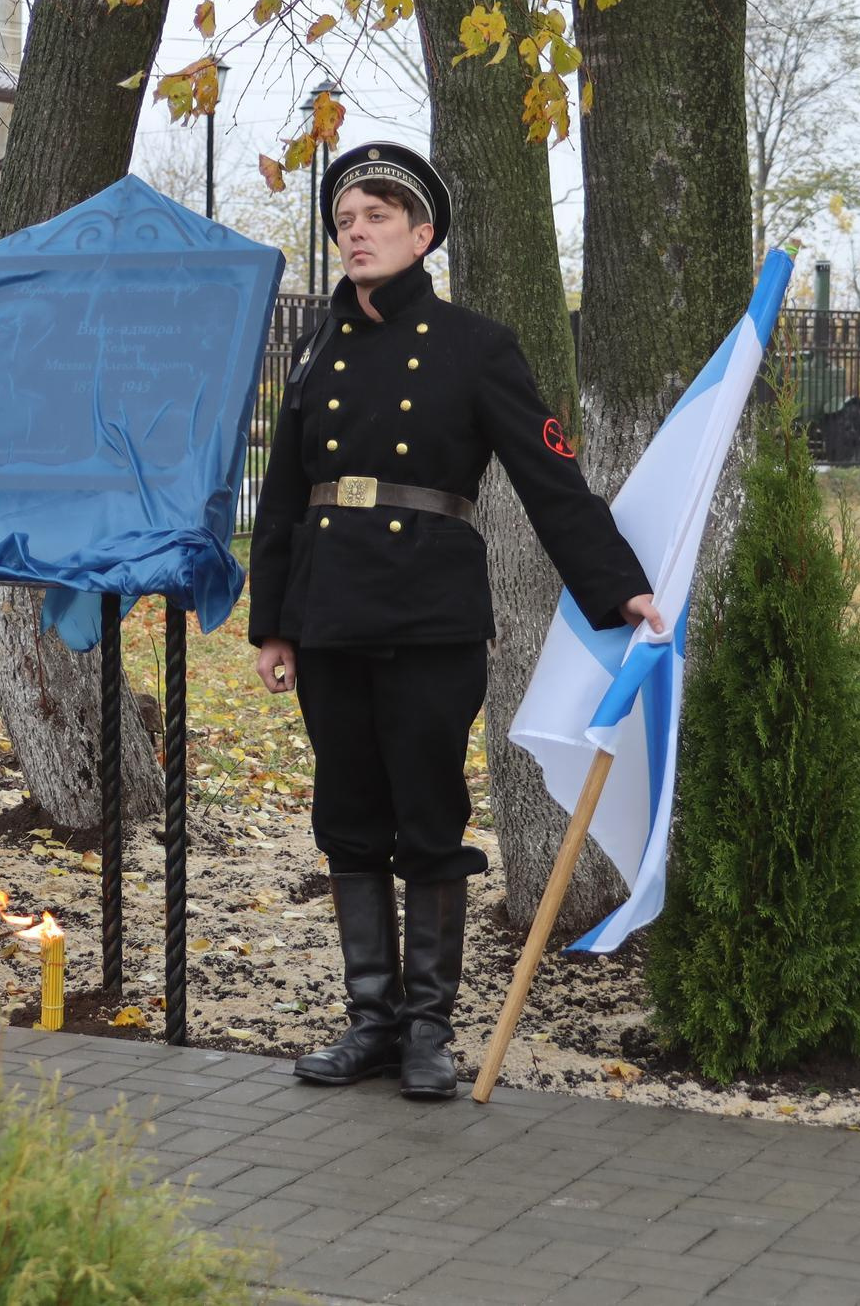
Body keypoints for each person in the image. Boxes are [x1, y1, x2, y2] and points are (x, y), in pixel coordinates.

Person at [248, 142, 665, 1099]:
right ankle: (372, 1022)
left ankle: (430, 1028)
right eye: (346, 219)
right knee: (348, 815)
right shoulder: (317, 340)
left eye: (378, 217)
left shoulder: (477, 345)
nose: (356, 232)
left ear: (423, 234)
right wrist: (275, 622)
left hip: (429, 610)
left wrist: (619, 586)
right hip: (329, 609)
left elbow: (549, 478)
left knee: (429, 816)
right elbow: (283, 493)